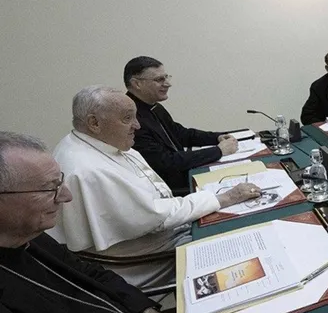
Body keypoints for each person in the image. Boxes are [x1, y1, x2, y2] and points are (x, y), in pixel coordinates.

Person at [0, 131, 197, 313]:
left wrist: (144, 310)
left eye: (60, 183)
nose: (66, 196)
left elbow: (92, 273)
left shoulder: (28, 237)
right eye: (50, 189)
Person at [47, 86, 260, 289]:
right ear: (94, 123)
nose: (137, 126)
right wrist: (224, 198)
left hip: (161, 233)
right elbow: (157, 218)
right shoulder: (86, 171)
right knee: (244, 241)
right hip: (146, 259)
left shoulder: (97, 142)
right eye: (127, 118)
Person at [125, 56, 239, 193]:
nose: (168, 84)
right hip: (173, 190)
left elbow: (180, 133)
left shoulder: (153, 106)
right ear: (137, 84)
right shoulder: (130, 119)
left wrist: (217, 137)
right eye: (159, 79)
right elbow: (165, 162)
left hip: (185, 174)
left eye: (166, 77)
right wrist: (218, 151)